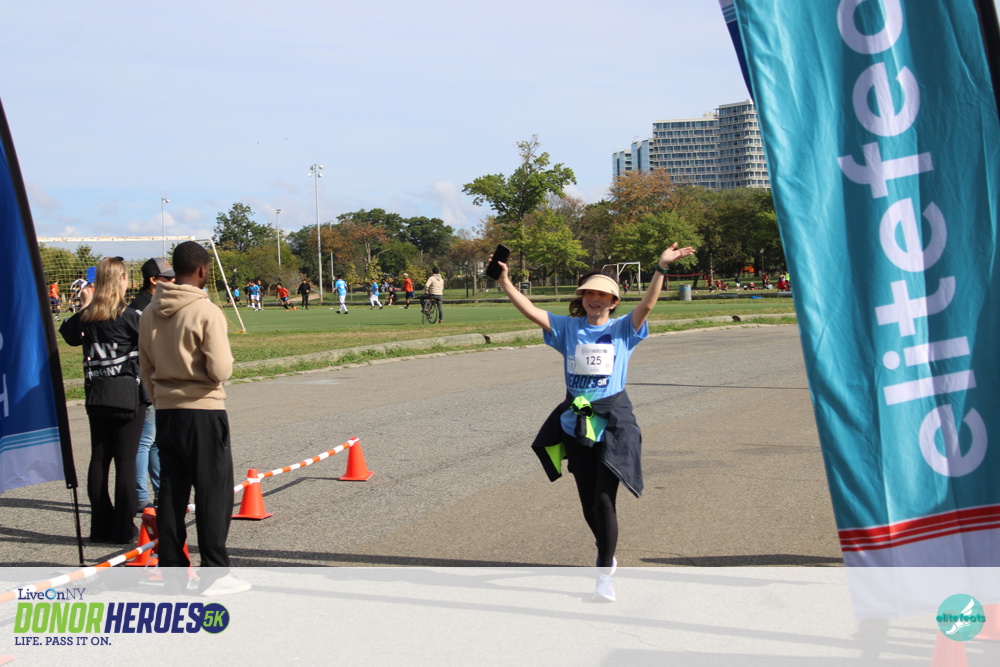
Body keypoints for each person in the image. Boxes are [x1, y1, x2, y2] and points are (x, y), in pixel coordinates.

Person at [494, 242, 695, 602]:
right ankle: (607, 552)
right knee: (588, 501)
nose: (595, 299)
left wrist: (661, 268)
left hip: (613, 422)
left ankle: (603, 575)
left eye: (603, 295)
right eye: (590, 294)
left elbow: (648, 305)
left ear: (614, 302)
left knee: (604, 499)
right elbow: (531, 311)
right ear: (582, 298)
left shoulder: (623, 329)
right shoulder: (567, 328)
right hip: (576, 422)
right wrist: (505, 281)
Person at [138, 241, 249, 596]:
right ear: (202, 270)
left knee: (171, 493)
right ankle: (214, 572)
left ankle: (173, 572)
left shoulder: (149, 312)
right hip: (203, 409)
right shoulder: (206, 310)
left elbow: (145, 367)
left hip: (166, 410)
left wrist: (162, 397)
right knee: (213, 492)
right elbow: (220, 368)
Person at [60, 257, 148, 544]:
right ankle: (123, 528)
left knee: (99, 458)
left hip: (97, 394)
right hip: (127, 396)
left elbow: (68, 335)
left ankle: (99, 527)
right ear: (121, 279)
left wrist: (84, 305)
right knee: (125, 461)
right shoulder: (130, 316)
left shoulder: (87, 318)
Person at [129, 257, 176, 512]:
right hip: (145, 381)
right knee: (145, 440)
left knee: (157, 440)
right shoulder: (140, 309)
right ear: (154, 280)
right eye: (168, 278)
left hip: (158, 379)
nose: (173, 281)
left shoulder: (156, 304)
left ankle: (161, 492)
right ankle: (140, 496)